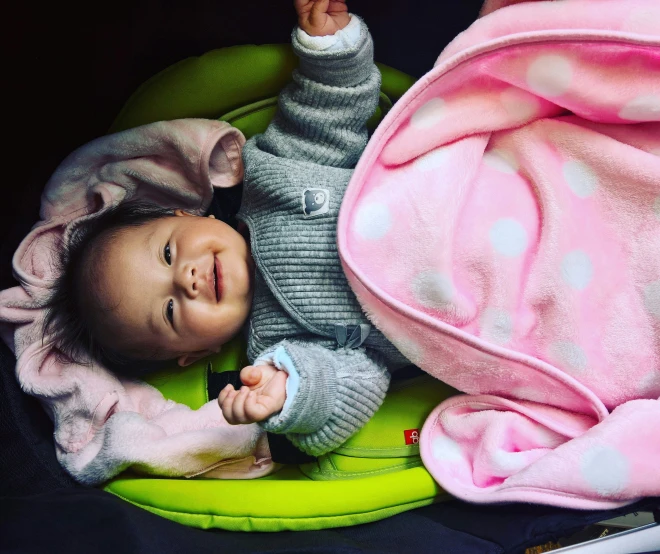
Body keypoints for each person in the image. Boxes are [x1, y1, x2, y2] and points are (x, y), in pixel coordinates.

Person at [43, 0, 410, 457]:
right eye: (171, 311)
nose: (187, 279)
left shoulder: (272, 177)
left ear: (186, 216)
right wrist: (291, 391)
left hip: (458, 190)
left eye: (169, 255)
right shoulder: (279, 349)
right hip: (480, 314)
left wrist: (331, 47)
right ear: (197, 353)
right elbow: (358, 381)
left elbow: (329, 117)